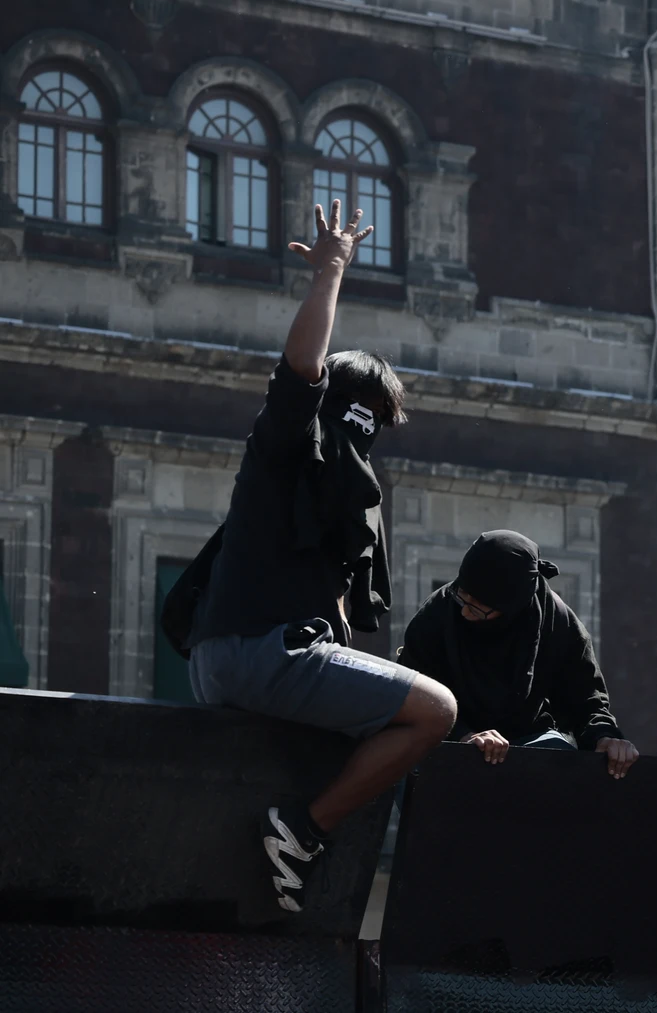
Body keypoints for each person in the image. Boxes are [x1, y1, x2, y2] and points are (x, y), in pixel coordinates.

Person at [176, 201, 458, 913]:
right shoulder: (288, 445)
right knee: (434, 711)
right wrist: (331, 269)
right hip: (259, 653)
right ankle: (303, 828)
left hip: (234, 658)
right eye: (371, 418)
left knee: (374, 724)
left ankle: (295, 845)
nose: (371, 437)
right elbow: (301, 367)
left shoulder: (343, 502)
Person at [397, 531, 637, 778]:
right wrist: (463, 735)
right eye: (463, 597)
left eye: (479, 609)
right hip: (447, 734)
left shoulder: (559, 624)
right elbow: (413, 698)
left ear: (512, 608)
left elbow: (587, 699)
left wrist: (606, 737)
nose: (464, 614)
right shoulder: (436, 615)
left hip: (530, 739)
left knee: (559, 764)